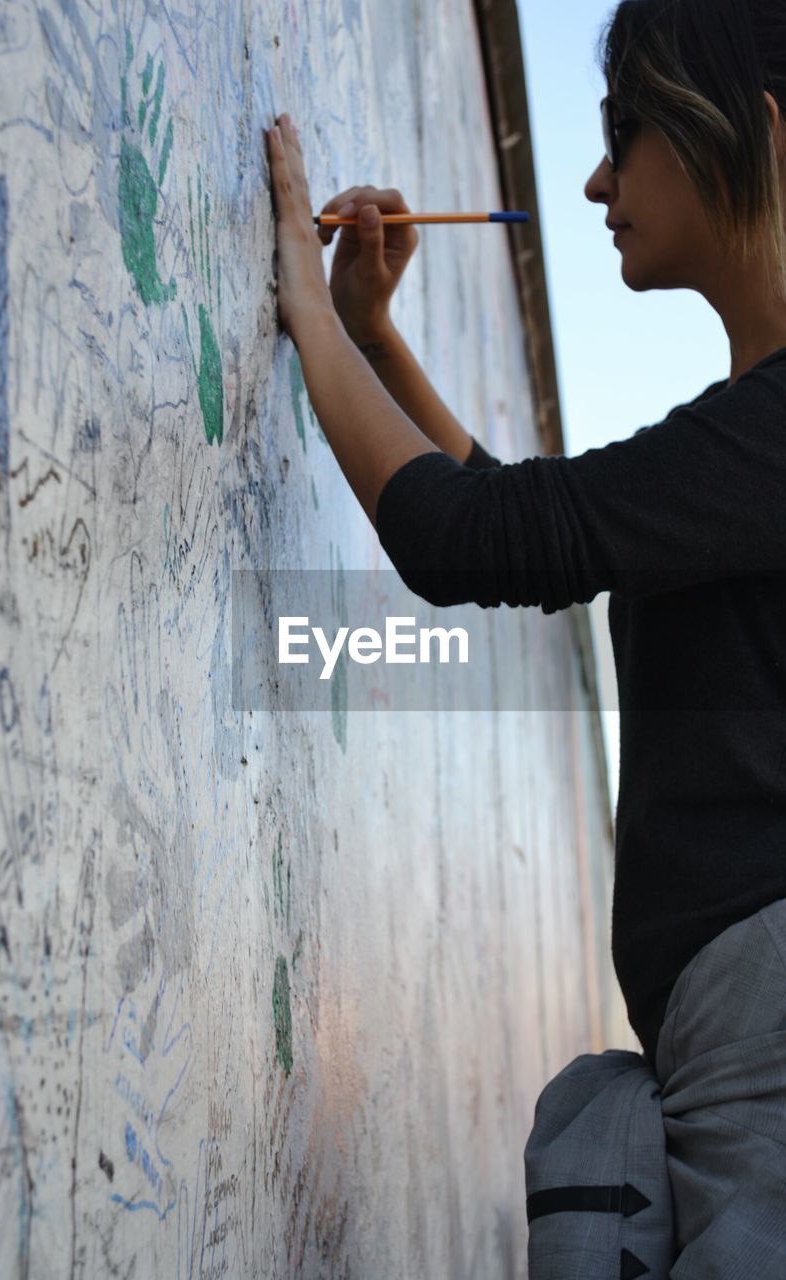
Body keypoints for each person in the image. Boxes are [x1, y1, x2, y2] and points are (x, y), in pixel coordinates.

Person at [266, 0, 786, 1271]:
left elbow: (471, 541)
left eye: (628, 132)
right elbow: (516, 521)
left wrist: (305, 310)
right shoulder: (749, 437)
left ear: (752, 134)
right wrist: (371, 335)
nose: (600, 178)